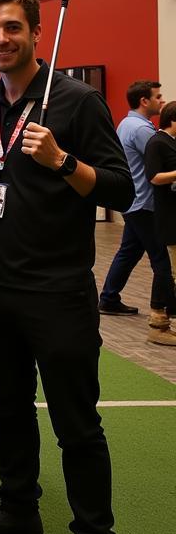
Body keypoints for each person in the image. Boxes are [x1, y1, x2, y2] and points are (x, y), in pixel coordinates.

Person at [0, 0, 134, 534]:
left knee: (77, 426)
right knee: (7, 409)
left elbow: (119, 187)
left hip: (57, 291)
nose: (1, 39)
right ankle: (19, 512)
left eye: (11, 29)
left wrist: (63, 161)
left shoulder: (75, 102)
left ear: (36, 30)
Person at [98, 80, 176, 342]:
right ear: (144, 101)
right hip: (144, 203)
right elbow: (160, 162)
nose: (161, 101)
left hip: (134, 202)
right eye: (157, 96)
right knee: (161, 260)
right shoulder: (143, 131)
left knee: (129, 252)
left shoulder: (126, 123)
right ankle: (161, 317)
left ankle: (109, 297)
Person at [144, 100, 176, 344]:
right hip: (168, 216)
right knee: (168, 271)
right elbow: (154, 177)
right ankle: (159, 321)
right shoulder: (157, 143)